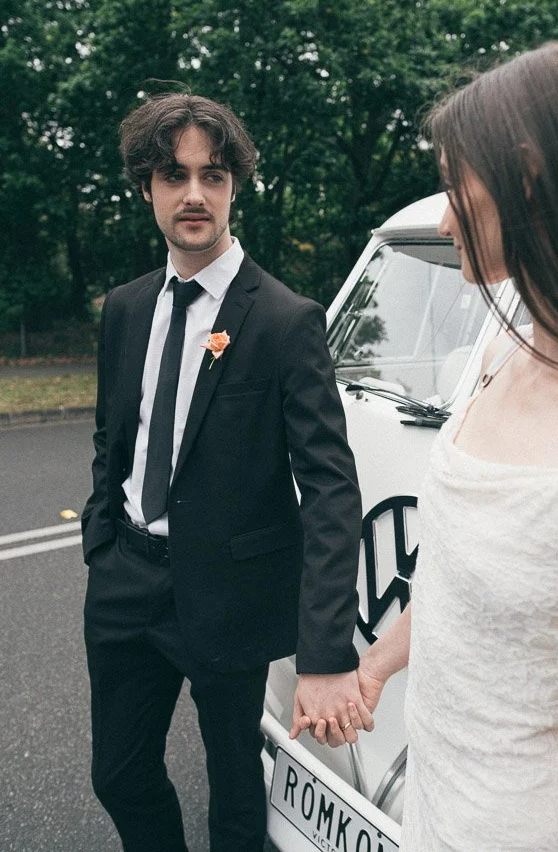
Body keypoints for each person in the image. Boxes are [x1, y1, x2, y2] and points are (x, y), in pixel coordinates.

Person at [315, 43, 558, 850]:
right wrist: (377, 664)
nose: (444, 221)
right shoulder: (500, 355)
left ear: (528, 177)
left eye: (454, 186)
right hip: (432, 816)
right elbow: (459, 573)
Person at [81, 92, 374, 852]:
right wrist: (101, 541)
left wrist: (324, 654)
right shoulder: (125, 309)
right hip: (125, 583)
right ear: (146, 187)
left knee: (237, 799)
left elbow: (331, 490)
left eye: (212, 176)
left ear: (234, 186)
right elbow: (114, 435)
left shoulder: (284, 319)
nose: (194, 195)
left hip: (229, 597)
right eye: (174, 176)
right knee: (119, 775)